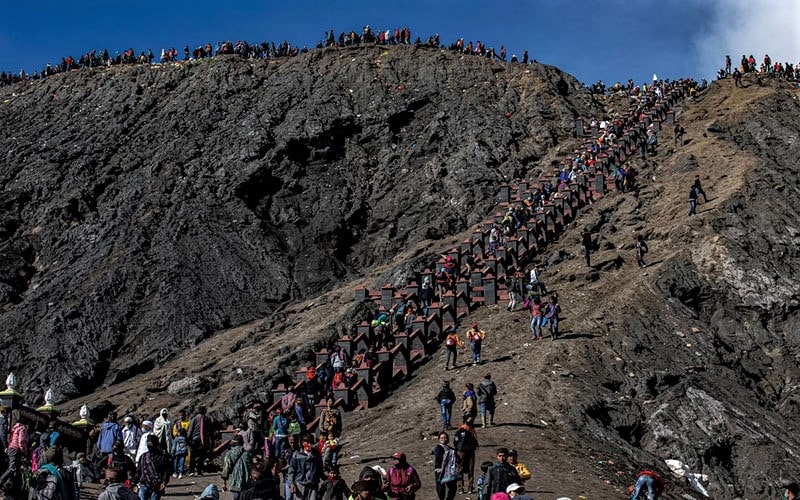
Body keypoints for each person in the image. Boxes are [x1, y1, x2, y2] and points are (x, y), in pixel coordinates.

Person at [135, 434, 171, 500]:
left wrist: (164, 482)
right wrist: (134, 483)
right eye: (148, 443)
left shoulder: (162, 457)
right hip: (144, 484)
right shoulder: (143, 457)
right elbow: (139, 471)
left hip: (156, 486)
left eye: (151, 443)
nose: (149, 445)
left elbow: (166, 471)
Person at [288, 434, 323, 499]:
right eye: (308, 442)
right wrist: (291, 483)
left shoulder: (316, 455)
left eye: (311, 443)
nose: (310, 445)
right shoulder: (297, 455)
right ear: (303, 443)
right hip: (300, 484)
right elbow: (291, 470)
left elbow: (320, 470)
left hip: (313, 484)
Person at [221, 434, 252, 500]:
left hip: (235, 484)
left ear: (235, 442)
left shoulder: (229, 454)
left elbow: (226, 469)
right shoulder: (248, 454)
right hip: (246, 484)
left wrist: (224, 483)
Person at [453, 417, 478, 494]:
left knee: (471, 469)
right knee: (460, 469)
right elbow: (456, 441)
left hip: (470, 452)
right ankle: (460, 487)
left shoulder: (472, 431)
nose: (470, 420)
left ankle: (470, 487)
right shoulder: (460, 430)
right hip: (461, 451)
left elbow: (475, 441)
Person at [187, 406, 214, 476]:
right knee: (200, 455)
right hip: (201, 439)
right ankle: (197, 470)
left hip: (197, 439)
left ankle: (193, 470)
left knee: (195, 454)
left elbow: (190, 430)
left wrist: (188, 438)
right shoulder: (204, 419)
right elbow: (210, 430)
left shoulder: (197, 419)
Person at [432, 432, 458, 500]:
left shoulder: (450, 449)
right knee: (441, 488)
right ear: (439, 439)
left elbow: (457, 457)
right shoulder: (438, 448)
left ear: (448, 439)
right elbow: (438, 457)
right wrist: (449, 455)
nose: (444, 439)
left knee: (453, 487)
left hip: (449, 471)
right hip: (440, 470)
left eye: (445, 438)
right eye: (442, 438)